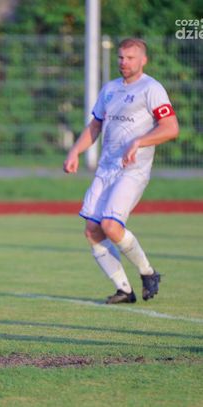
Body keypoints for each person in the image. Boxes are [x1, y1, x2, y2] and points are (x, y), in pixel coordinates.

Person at [63, 38, 179, 304]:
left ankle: (148, 272)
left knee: (111, 226)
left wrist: (139, 141)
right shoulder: (110, 89)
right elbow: (95, 126)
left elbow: (171, 128)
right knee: (92, 231)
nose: (124, 62)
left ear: (143, 60)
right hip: (106, 169)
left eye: (130, 58)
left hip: (133, 170)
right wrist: (74, 152)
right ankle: (124, 290)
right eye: (121, 57)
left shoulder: (151, 88)